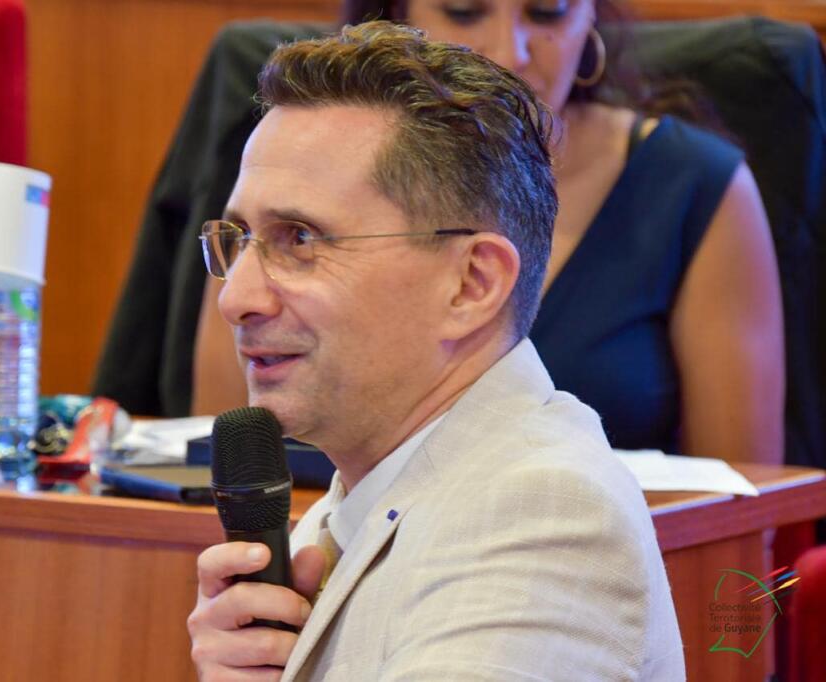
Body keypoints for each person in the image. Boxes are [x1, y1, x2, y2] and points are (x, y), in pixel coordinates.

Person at [187, 21, 684, 680]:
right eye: (239, 239)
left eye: (300, 238)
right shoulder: (342, 514)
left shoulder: (542, 516)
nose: (236, 298)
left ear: (471, 284)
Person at [184, 0, 784, 468]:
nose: (509, 50)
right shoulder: (286, 165)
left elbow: (748, 499)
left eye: (547, 13)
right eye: (465, 11)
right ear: (395, 20)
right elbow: (231, 449)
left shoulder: (694, 183)